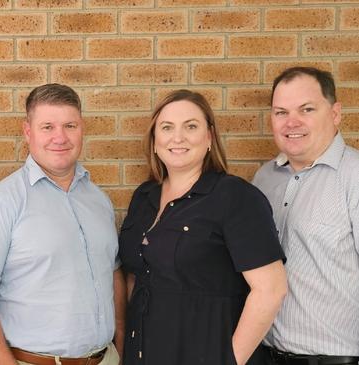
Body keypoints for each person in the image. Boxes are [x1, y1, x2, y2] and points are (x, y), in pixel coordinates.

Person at [0, 83, 125, 365]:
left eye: (70, 125)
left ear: (82, 129)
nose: (60, 137)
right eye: (47, 127)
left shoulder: (99, 201)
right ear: (28, 131)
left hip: (106, 359)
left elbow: (113, 275)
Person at [119, 89, 287, 365]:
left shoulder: (235, 197)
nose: (178, 137)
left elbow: (271, 290)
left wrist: (228, 361)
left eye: (191, 126)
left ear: (209, 137)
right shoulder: (144, 198)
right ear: (154, 141)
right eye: (167, 128)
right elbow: (136, 279)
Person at [253, 67, 359, 364]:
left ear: (335, 113)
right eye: (280, 112)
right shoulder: (264, 179)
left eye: (307, 109)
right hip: (266, 355)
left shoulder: (354, 177)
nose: (292, 122)